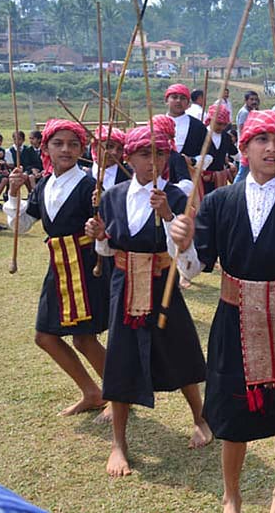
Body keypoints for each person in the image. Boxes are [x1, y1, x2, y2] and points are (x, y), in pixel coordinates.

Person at [167, 110, 275, 513]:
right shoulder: (220, 202)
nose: (271, 148)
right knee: (231, 410)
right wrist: (184, 242)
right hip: (233, 316)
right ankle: (232, 494)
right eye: (261, 140)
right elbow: (195, 266)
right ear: (244, 148)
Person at [85, 124, 211, 477]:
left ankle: (200, 419)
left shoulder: (178, 194)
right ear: (129, 158)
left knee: (180, 352)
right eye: (144, 154)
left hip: (162, 284)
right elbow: (109, 248)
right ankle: (118, 444)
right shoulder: (112, 196)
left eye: (160, 153)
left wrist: (169, 216)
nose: (153, 161)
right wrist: (98, 236)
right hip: (124, 287)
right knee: (121, 360)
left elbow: (189, 259)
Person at [4, 119, 111, 417]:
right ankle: (92, 392)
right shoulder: (45, 185)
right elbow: (22, 225)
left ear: (81, 149)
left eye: (73, 144)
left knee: (83, 338)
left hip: (87, 266)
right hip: (58, 267)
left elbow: (110, 229)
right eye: (58, 143)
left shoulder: (91, 185)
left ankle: (118, 395)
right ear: (46, 148)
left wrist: (98, 226)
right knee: (45, 336)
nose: (66, 149)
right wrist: (14, 194)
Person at [202, 103, 239, 195]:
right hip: (203, 180)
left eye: (224, 124)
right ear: (210, 120)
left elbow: (235, 154)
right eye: (219, 124)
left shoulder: (226, 137)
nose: (221, 127)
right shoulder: (201, 135)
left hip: (219, 181)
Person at [235, 90, 261, 184]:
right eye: (251, 99)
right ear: (246, 100)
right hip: (245, 146)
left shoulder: (252, 112)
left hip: (250, 146)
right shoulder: (244, 113)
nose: (254, 101)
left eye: (256, 99)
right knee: (243, 172)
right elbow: (243, 131)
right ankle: (233, 191)